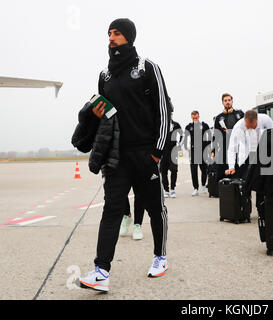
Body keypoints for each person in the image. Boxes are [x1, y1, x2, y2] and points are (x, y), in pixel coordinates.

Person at [77, 18, 170, 292]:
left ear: (129, 37)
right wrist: (93, 115)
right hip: (116, 157)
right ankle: (101, 271)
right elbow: (104, 116)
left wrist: (156, 153)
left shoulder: (147, 67)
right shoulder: (105, 75)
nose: (111, 37)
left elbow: (163, 110)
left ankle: (160, 256)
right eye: (109, 33)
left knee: (155, 208)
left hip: (145, 154)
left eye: (116, 33)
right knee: (112, 210)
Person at [212, 93, 245, 182]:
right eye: (225, 101)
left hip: (238, 146)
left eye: (229, 100)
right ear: (222, 103)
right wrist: (213, 150)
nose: (227, 102)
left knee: (239, 170)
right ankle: (224, 191)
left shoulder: (240, 114)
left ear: (232, 101)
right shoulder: (219, 118)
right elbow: (215, 134)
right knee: (222, 170)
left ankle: (239, 190)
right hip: (224, 147)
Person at [184, 110, 211, 196]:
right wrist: (186, 146)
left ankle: (203, 185)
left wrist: (208, 145)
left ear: (198, 116)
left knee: (204, 169)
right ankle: (195, 188)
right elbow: (185, 137)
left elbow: (210, 136)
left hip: (203, 150)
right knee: (193, 170)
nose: (195, 117)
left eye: (196, 116)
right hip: (193, 151)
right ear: (191, 117)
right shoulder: (189, 126)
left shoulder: (204, 125)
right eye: (193, 116)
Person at [161, 112, 183, 198]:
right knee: (163, 171)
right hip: (163, 150)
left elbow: (182, 134)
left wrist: (179, 145)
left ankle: (173, 189)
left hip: (173, 150)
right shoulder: (161, 124)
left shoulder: (176, 124)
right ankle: (166, 190)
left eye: (170, 114)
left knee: (174, 170)